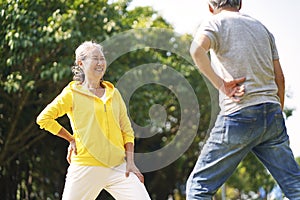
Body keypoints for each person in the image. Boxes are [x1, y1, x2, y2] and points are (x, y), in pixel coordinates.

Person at [186, 0, 300, 199]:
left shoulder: (215, 22)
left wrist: (221, 84)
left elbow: (196, 50)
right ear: (240, 4)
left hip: (239, 114)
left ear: (210, 7)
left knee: (198, 187)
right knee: (294, 186)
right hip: (272, 112)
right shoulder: (262, 28)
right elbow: (279, 78)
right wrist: (276, 114)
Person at [36, 41, 151, 200]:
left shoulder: (114, 93)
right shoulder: (72, 93)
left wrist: (130, 162)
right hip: (86, 166)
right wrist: (71, 139)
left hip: (118, 167)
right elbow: (44, 119)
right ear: (80, 64)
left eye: (102, 58)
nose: (100, 63)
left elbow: (126, 130)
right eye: (95, 58)